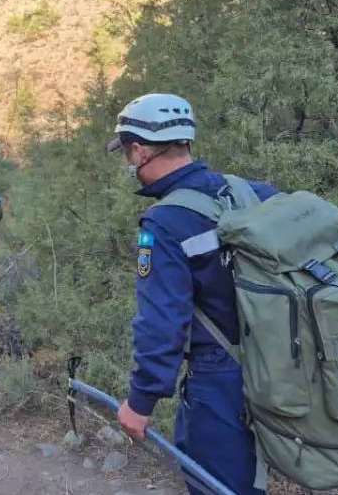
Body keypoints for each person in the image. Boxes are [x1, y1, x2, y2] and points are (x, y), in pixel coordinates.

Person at [108, 93, 277, 495]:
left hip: (221, 376)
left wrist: (140, 401)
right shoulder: (252, 192)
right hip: (278, 361)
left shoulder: (164, 223)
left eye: (128, 154)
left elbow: (161, 323)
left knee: (216, 483)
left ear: (140, 150)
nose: (129, 164)